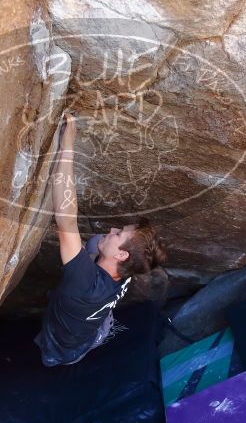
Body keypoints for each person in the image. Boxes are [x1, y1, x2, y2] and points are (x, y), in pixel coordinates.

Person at [34, 111, 167, 366]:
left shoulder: (85, 283)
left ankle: (56, 359)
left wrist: (67, 143)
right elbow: (94, 246)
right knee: (95, 243)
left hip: (67, 346)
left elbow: (66, 221)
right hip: (94, 314)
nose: (113, 229)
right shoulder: (126, 269)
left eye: (118, 234)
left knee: (54, 355)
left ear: (122, 255)